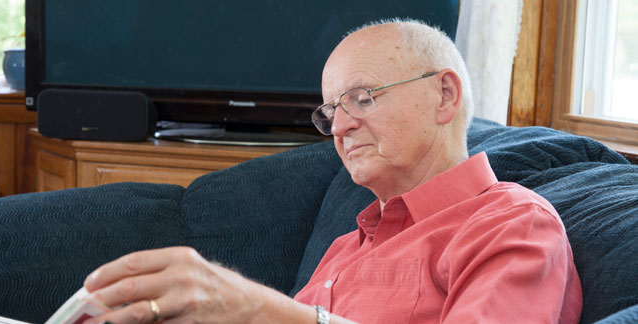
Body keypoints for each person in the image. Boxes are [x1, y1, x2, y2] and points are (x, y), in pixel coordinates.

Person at [80, 19, 582, 324]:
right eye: (329, 111)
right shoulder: (348, 246)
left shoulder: (512, 224)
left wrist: (260, 310)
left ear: (444, 95)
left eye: (362, 98)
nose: (339, 126)